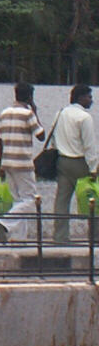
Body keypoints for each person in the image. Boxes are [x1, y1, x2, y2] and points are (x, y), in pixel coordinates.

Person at [49, 84, 99, 245]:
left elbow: (54, 139)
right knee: (93, 199)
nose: (91, 100)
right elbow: (89, 145)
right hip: (80, 162)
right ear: (81, 98)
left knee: (62, 200)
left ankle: (60, 237)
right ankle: (96, 236)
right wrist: (93, 168)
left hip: (62, 161)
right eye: (89, 97)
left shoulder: (60, 113)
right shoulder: (84, 118)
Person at [0, 82, 44, 244]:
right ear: (30, 97)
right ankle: (5, 222)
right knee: (30, 199)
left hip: (7, 162)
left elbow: (1, 140)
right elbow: (41, 135)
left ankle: (18, 238)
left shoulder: (4, 113)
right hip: (23, 162)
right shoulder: (27, 114)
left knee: (18, 200)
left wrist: (1, 164)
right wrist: (35, 112)